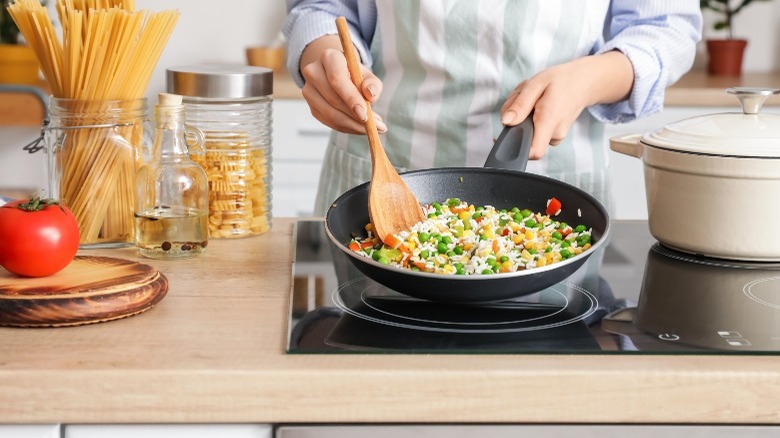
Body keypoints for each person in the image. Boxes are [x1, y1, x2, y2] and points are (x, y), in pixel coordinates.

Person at [283, 1, 702, 299]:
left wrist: (591, 78)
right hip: (385, 161)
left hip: (555, 171)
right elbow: (319, 7)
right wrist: (326, 57)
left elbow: (668, 25)